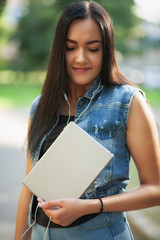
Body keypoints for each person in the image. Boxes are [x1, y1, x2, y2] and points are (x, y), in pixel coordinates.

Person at [15, 1, 160, 239]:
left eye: (93, 48)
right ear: (59, 49)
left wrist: (92, 206)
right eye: (71, 47)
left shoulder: (128, 102)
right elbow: (29, 188)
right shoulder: (40, 106)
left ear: (107, 50)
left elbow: (155, 189)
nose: (81, 58)